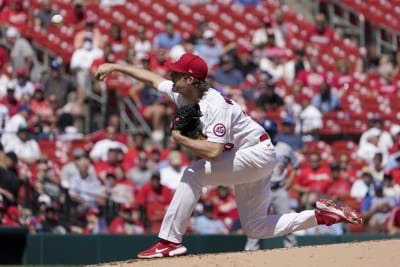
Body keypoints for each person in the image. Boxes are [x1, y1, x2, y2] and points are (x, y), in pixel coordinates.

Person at [96, 53, 362, 259]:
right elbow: (152, 79)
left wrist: (180, 139)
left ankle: (169, 242)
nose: (170, 75)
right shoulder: (182, 93)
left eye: (176, 73)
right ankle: (321, 216)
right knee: (256, 228)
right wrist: (116, 66)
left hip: (255, 154)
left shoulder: (213, 106)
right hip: (250, 156)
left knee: (193, 173)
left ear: (189, 79)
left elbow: (212, 153)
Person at [245, 119, 299, 250]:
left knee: (287, 219)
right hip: (262, 188)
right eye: (267, 132)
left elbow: (296, 165)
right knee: (256, 220)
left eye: (271, 132)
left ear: (275, 132)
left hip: (279, 189)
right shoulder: (254, 148)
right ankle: (251, 248)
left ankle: (291, 247)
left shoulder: (284, 148)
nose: (269, 134)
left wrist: (290, 182)